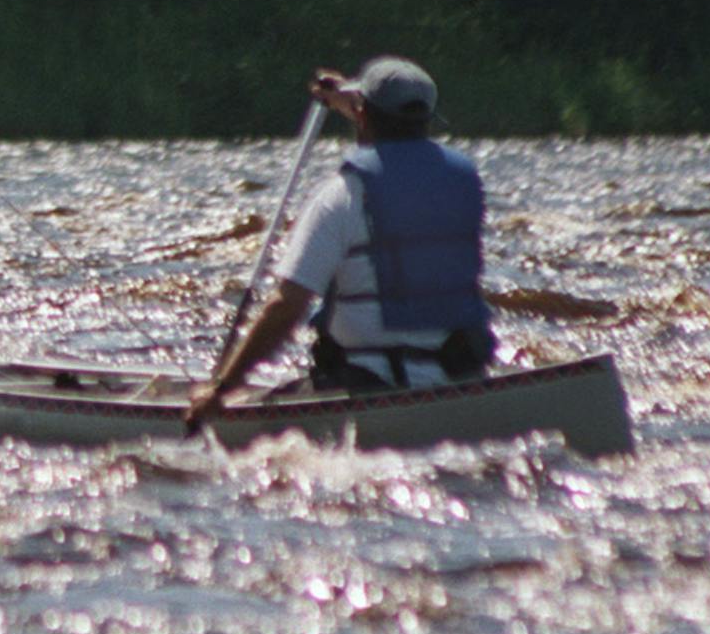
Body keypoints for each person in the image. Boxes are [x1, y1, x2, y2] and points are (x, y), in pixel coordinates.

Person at [186, 56, 496, 427]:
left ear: (363, 115)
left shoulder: (341, 199)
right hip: (455, 381)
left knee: (259, 396)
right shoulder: (461, 186)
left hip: (364, 388)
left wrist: (220, 389)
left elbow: (287, 307)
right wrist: (344, 101)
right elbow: (396, 138)